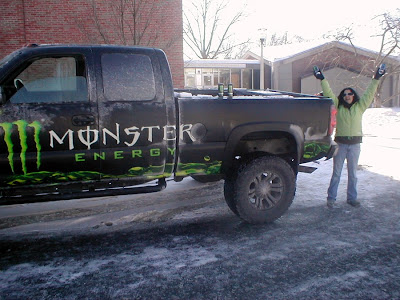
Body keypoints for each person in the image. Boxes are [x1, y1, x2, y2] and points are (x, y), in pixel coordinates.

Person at [313, 64, 386, 208]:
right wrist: (322, 78)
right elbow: (328, 93)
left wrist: (376, 78)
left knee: (353, 174)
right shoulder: (338, 107)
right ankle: (331, 199)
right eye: (345, 94)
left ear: (354, 96)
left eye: (350, 94)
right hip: (340, 145)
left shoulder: (360, 106)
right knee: (336, 174)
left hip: (354, 146)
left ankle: (352, 198)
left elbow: (370, 93)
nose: (347, 96)